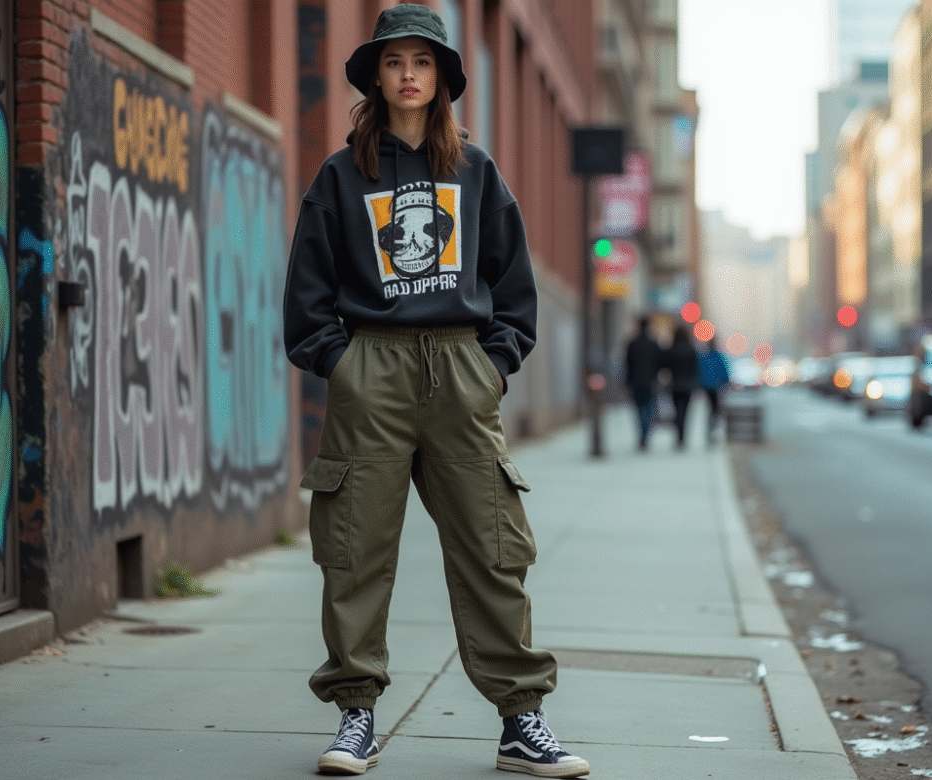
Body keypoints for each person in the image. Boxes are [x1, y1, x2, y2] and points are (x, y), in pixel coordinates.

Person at [282, 5, 588, 777]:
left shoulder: (476, 171)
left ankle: (522, 721)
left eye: (422, 61)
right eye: (394, 62)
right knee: (354, 550)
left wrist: (490, 365)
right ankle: (356, 716)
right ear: (377, 77)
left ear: (443, 78)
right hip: (372, 369)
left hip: (459, 370)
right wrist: (343, 365)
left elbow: (514, 290)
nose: (408, 74)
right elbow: (308, 295)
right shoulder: (341, 176)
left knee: (493, 546)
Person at [624, 315, 663, 450]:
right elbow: (659, 363)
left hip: (635, 382)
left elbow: (627, 364)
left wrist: (627, 381)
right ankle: (645, 434)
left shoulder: (632, 343)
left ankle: (643, 434)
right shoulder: (653, 343)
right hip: (650, 382)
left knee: (639, 410)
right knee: (649, 409)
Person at [661, 324, 699, 447]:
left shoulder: (671, 349)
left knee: (677, 411)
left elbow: (665, 366)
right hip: (688, 386)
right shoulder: (691, 350)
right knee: (685, 412)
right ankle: (682, 437)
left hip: (675, 385)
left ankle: (679, 436)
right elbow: (696, 368)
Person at [697, 335, 731, 443]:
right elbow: (724, 371)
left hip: (707, 387)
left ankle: (711, 429)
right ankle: (713, 429)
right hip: (716, 387)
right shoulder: (718, 356)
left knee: (711, 409)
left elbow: (699, 371)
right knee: (715, 410)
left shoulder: (704, 357)